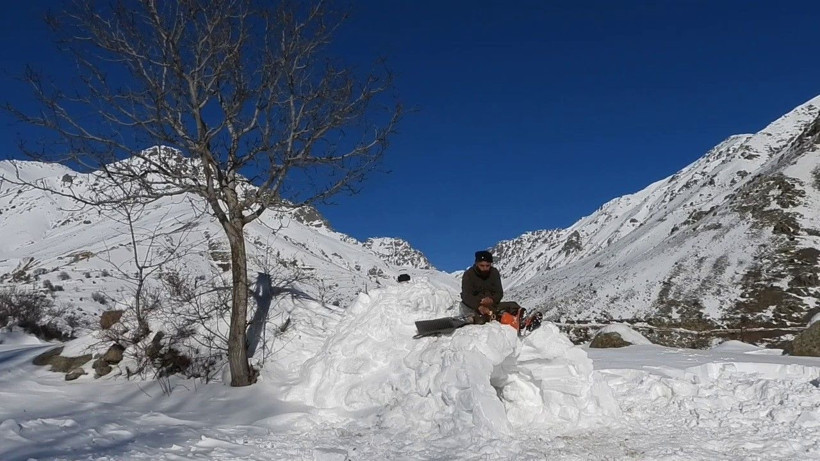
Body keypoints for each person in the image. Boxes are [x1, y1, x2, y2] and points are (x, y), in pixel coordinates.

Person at [460, 250, 524, 324]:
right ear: (476, 264)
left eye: (487, 266)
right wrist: (479, 306)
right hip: (474, 307)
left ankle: (523, 321)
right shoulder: (469, 275)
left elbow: (499, 292)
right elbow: (466, 296)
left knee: (513, 306)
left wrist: (492, 300)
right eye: (482, 266)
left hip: (492, 306)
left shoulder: (494, 273)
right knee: (481, 320)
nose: (485, 268)